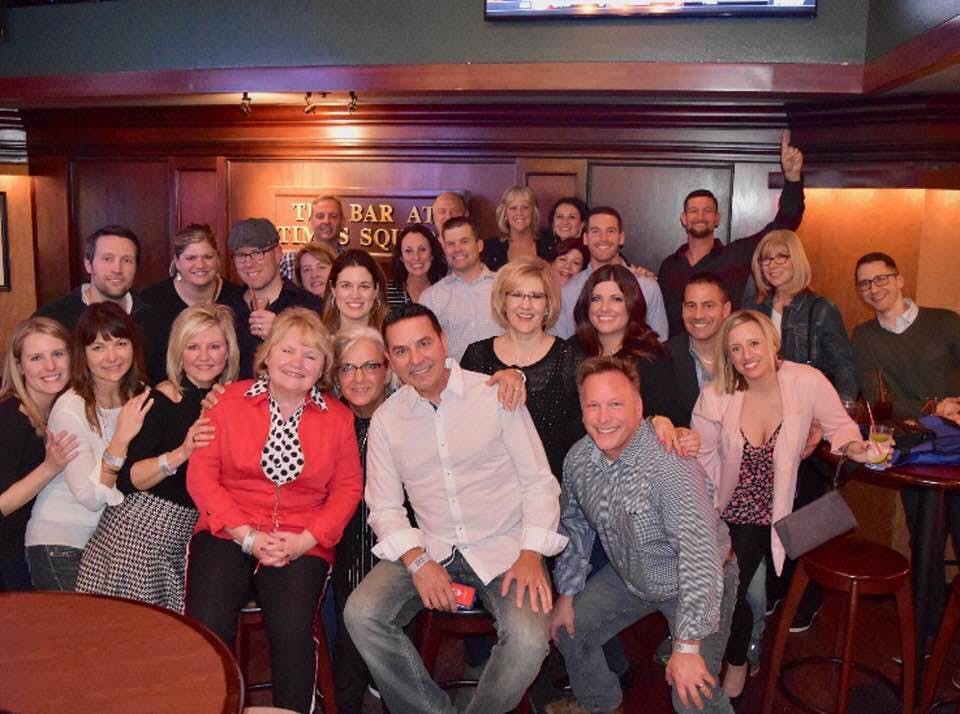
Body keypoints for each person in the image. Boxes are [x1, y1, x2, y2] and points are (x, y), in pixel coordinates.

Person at [344, 303, 568, 714]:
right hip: (433, 545)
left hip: (505, 548)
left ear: (444, 342)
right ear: (390, 359)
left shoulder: (495, 395)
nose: (416, 359)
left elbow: (538, 482)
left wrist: (532, 553)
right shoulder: (388, 420)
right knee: (362, 614)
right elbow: (384, 507)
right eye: (401, 351)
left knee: (529, 641)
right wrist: (417, 562)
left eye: (424, 344)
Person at [692, 310, 886, 700]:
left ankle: (739, 655)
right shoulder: (716, 395)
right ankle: (738, 657)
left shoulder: (805, 381)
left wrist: (856, 447)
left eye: (753, 343)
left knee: (737, 586)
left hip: (784, 510)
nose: (746, 355)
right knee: (728, 586)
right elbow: (704, 460)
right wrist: (709, 514)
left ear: (772, 343)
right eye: (735, 348)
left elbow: (839, 425)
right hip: (732, 509)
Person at [186, 307, 362, 714]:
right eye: (287, 350)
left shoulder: (338, 418)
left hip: (301, 538)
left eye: (310, 355)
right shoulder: (227, 401)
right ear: (266, 354)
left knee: (292, 627)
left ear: (323, 367)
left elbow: (348, 488)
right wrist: (246, 535)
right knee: (208, 620)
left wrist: (306, 540)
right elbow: (202, 477)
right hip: (228, 530)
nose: (297, 363)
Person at [551, 356, 737, 714]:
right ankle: (604, 706)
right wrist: (568, 593)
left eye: (615, 404)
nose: (603, 418)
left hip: (698, 580)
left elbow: (698, 555)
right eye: (593, 406)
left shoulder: (670, 463)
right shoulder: (578, 460)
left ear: (639, 408)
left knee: (691, 694)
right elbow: (575, 526)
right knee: (568, 630)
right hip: (633, 575)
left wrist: (687, 646)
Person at [75, 304, 238, 612]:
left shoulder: (231, 400)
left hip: (182, 538)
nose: (204, 356)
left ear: (229, 351)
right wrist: (181, 453)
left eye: (214, 346)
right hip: (137, 537)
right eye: (193, 347)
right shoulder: (161, 398)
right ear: (178, 352)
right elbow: (126, 479)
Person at [851, 251, 960, 639]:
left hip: (956, 444)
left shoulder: (944, 322)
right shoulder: (865, 336)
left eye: (881, 278)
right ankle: (926, 638)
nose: (873, 288)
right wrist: (936, 405)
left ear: (899, 280)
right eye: (864, 284)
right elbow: (876, 402)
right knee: (925, 542)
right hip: (914, 450)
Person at [25, 302, 154, 591]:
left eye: (120, 343)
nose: (112, 356)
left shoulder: (138, 396)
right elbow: (90, 498)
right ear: (82, 354)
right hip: (61, 545)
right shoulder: (71, 408)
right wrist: (120, 439)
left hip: (109, 546)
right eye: (98, 347)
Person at [658, 131, 806, 337]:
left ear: (717, 218)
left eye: (707, 211)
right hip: (678, 354)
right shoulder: (668, 266)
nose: (700, 216)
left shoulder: (736, 256)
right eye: (693, 211)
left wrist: (792, 179)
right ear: (683, 218)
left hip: (725, 352)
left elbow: (784, 224)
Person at [461, 256, 582, 479]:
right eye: (517, 294)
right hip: (489, 487)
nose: (526, 305)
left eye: (536, 296)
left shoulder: (571, 359)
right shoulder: (475, 356)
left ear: (548, 305)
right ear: (503, 301)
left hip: (553, 487)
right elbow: (463, 429)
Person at [332, 327, 394, 714]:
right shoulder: (330, 420)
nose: (358, 378)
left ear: (387, 371)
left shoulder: (406, 418)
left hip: (398, 547)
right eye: (347, 368)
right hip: (342, 544)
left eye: (369, 366)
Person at [0, 318, 79, 591]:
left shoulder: (59, 409)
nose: (50, 366)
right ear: (19, 365)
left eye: (58, 353)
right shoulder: (9, 419)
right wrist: (49, 468)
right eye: (36, 358)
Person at [572, 264, 685, 426]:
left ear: (633, 304)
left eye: (616, 299)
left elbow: (670, 422)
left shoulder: (652, 358)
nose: (604, 308)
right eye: (596, 299)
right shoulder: (571, 351)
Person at [752, 229, 856, 399]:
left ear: (796, 260)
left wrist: (840, 409)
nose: (772, 265)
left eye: (781, 256)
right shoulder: (757, 310)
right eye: (766, 259)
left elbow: (844, 367)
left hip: (810, 404)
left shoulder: (822, 309)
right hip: (765, 402)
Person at [139, 223, 242, 384]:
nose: (200, 265)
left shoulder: (237, 298)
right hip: (166, 393)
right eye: (191, 258)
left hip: (226, 392)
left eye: (207, 257)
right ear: (177, 261)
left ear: (218, 259)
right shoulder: (150, 301)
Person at [226, 218, 324, 379]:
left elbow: (322, 364)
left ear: (278, 254)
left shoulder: (310, 306)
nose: (248, 263)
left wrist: (281, 333)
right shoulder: (226, 306)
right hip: (237, 395)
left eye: (257, 253)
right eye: (241, 255)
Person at [554, 206, 668, 341]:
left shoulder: (646, 286)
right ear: (585, 238)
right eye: (595, 231)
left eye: (610, 231)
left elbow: (659, 342)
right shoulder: (569, 290)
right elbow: (562, 343)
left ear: (621, 238)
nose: (603, 238)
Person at [36, 225, 149, 333]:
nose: (117, 269)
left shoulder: (151, 316)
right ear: (88, 265)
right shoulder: (53, 319)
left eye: (127, 260)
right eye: (107, 259)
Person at [419, 216, 502, 361]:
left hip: (502, 373)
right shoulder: (430, 298)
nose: (457, 249)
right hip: (454, 375)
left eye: (464, 241)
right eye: (451, 244)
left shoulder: (505, 286)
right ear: (444, 249)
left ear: (479, 245)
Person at [482, 185, 556, 271]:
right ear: (505, 213)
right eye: (513, 208)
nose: (519, 213)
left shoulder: (550, 242)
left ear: (533, 212)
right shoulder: (490, 248)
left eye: (525, 207)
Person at [323, 248, 390, 334]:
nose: (355, 295)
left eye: (364, 286)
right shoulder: (318, 341)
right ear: (333, 289)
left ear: (376, 290)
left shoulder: (392, 340)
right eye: (346, 285)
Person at [279, 194, 345, 279]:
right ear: (311, 222)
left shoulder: (351, 262)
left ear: (343, 222)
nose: (326, 221)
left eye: (333, 216)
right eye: (320, 216)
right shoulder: (289, 261)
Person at [386, 223, 447, 307]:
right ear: (401, 257)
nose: (416, 257)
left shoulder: (447, 291)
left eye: (422, 249)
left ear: (432, 254)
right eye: (409, 251)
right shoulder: (385, 292)